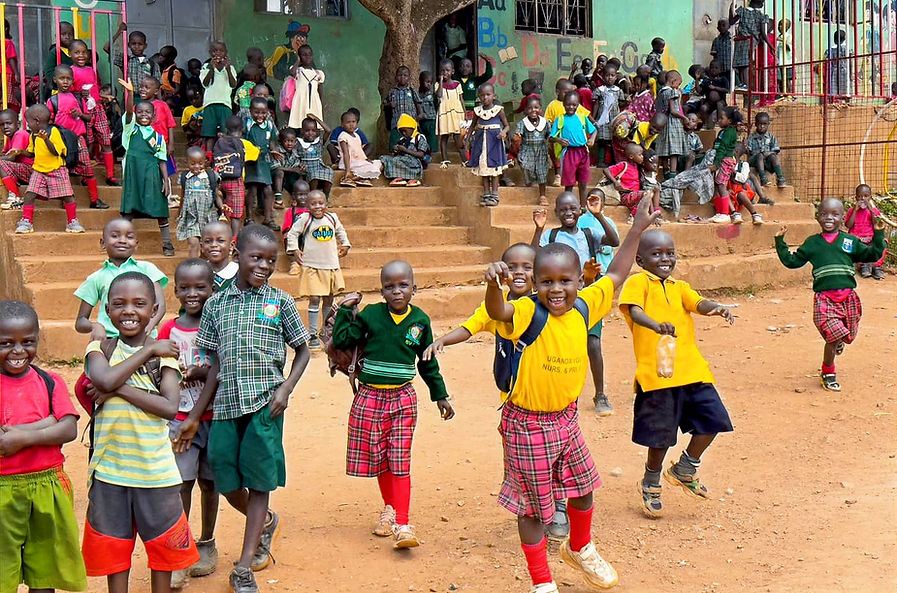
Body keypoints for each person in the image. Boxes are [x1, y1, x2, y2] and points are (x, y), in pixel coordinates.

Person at [483, 196, 659, 593]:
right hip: (526, 424)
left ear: (580, 282)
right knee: (532, 510)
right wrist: (493, 285)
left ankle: (580, 547)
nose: (556, 289)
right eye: (546, 282)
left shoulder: (585, 306)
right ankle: (542, 583)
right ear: (534, 283)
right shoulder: (528, 311)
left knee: (583, 488)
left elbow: (614, 274)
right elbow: (499, 313)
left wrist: (635, 230)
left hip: (565, 419)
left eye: (566, 281)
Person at [182, 225, 312, 593]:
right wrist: (195, 406)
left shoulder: (280, 302)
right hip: (225, 404)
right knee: (225, 478)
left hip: (265, 404)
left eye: (271, 261)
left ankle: (243, 567)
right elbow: (214, 361)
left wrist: (286, 388)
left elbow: (303, 349)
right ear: (237, 255)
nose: (264, 266)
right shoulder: (215, 305)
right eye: (256, 258)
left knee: (258, 481)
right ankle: (268, 522)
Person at [79, 271, 199, 591]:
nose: (129, 311)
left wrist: (118, 390)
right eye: (119, 304)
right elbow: (102, 380)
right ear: (107, 308)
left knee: (162, 550)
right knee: (115, 549)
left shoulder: (167, 357)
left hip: (155, 473)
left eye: (139, 303)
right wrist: (148, 351)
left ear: (154, 309)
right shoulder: (100, 347)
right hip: (110, 471)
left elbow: (169, 407)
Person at [332, 260, 455, 550]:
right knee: (380, 459)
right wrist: (345, 313)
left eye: (403, 286)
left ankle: (403, 523)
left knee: (399, 459)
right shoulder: (371, 315)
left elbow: (428, 363)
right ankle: (390, 507)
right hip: (370, 396)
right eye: (389, 286)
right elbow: (342, 339)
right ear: (382, 290)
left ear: (414, 288)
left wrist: (440, 395)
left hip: (403, 398)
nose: (396, 291)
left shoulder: (420, 320)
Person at [619, 229, 735, 519]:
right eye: (656, 254)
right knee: (660, 438)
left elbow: (698, 303)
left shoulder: (679, 286)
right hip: (657, 376)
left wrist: (716, 308)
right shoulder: (638, 282)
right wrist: (656, 325)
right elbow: (634, 311)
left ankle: (686, 467)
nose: (665, 258)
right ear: (640, 259)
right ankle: (651, 479)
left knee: (714, 421)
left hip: (693, 371)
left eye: (669, 253)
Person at [0, 300, 88, 593]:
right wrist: (46, 422)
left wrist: (22, 436)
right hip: (3, 490)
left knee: (45, 570)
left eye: (27, 342)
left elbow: (68, 428)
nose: (17, 351)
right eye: (5, 343)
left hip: (47, 487)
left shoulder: (49, 381)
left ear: (38, 340)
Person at [159, 260, 225, 588]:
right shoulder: (168, 330)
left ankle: (207, 541)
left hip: (214, 418)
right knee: (182, 485)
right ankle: (181, 552)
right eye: (184, 288)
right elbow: (157, 366)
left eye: (200, 287)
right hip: (180, 421)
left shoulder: (218, 327)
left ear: (213, 289)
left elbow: (222, 368)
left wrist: (200, 372)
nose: (192, 293)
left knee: (210, 484)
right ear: (175, 291)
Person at [776, 198, 885, 392]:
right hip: (825, 299)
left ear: (842, 218)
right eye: (824, 214)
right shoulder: (812, 244)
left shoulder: (849, 241)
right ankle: (828, 372)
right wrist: (780, 242)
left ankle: (837, 343)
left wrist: (878, 234)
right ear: (818, 217)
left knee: (846, 334)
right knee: (834, 335)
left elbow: (873, 255)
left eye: (835, 215)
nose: (829, 218)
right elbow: (792, 262)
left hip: (848, 298)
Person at [534, 189, 620, 422]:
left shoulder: (589, 233)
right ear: (556, 213)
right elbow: (535, 257)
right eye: (563, 209)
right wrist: (539, 229)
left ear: (580, 210)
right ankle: (556, 393)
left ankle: (600, 394)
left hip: (587, 294)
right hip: (559, 297)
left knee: (593, 342)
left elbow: (614, 241)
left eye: (572, 208)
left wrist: (600, 215)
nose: (568, 212)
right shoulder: (551, 236)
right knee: (556, 344)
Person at [423, 243, 537, 359]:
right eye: (511, 268)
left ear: (538, 273)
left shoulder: (542, 303)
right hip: (509, 373)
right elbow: (468, 328)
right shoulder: (494, 303)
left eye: (527, 267)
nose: (518, 272)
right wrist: (442, 341)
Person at [74, 217, 167, 341]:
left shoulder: (148, 269)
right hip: (110, 340)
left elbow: (160, 305)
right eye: (115, 236)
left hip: (144, 338)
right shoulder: (96, 278)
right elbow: (80, 321)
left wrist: (150, 325)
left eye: (129, 237)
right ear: (102, 243)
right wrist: (95, 326)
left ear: (136, 244)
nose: (122, 240)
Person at [285, 190, 351, 349]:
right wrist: (295, 250)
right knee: (315, 298)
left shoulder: (332, 218)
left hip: (330, 264)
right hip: (313, 265)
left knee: (329, 297)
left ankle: (325, 330)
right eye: (313, 204)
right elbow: (292, 234)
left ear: (326, 204)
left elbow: (340, 231)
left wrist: (345, 244)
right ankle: (312, 334)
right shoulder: (305, 219)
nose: (317, 206)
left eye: (320, 203)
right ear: (308, 206)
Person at [119, 82, 174, 256]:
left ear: (154, 115)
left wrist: (166, 180)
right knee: (129, 211)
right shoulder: (130, 130)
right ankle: (123, 245)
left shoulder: (158, 138)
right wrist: (130, 93)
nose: (143, 115)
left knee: (160, 209)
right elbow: (128, 112)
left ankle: (167, 245)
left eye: (147, 112)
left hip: (152, 176)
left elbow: (162, 161)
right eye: (140, 112)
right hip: (133, 175)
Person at [11, 104, 84, 234]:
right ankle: (26, 221)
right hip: (39, 170)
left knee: (68, 196)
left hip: (57, 170)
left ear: (37, 121)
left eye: (29, 123)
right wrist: (20, 151)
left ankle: (72, 221)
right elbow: (31, 153)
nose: (28, 126)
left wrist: (46, 140)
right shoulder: (33, 135)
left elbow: (56, 152)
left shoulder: (53, 132)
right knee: (29, 194)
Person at [48, 64, 106, 209]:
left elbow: (89, 118)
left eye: (68, 79)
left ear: (73, 81)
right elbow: (49, 121)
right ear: (55, 80)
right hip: (61, 139)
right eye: (62, 78)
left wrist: (79, 114)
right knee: (63, 169)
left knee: (88, 168)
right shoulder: (53, 100)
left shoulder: (78, 99)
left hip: (78, 138)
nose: (65, 82)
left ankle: (95, 199)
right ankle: (65, 200)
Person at [70, 40, 120, 187]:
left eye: (84, 52)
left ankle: (110, 175)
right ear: (70, 54)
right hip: (83, 110)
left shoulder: (91, 70)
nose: (81, 55)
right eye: (77, 52)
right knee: (87, 143)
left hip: (97, 109)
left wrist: (104, 97)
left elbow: (94, 91)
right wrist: (80, 93)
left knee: (106, 140)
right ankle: (86, 175)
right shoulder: (70, 71)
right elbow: (68, 92)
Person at [213, 115, 259, 236]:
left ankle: (221, 237)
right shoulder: (244, 143)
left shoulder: (220, 141)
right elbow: (255, 155)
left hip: (219, 180)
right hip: (236, 181)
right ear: (242, 129)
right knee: (236, 215)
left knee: (221, 211)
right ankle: (234, 239)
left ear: (226, 128)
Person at [549, 92, 596, 208]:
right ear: (563, 105)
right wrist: (558, 140)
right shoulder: (560, 119)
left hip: (583, 152)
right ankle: (568, 205)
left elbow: (594, 130)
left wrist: (592, 140)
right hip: (569, 153)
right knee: (569, 182)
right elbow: (550, 137)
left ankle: (583, 206)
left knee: (583, 182)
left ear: (578, 105)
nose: (571, 107)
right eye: (568, 104)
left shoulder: (582, 118)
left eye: (574, 105)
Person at [467, 83, 509, 207]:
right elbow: (472, 126)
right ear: (479, 97)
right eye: (482, 95)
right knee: (483, 169)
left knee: (494, 169)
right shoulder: (478, 111)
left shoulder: (498, 110)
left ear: (493, 96)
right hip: (481, 143)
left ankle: (494, 195)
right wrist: (467, 140)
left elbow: (507, 125)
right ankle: (486, 194)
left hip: (494, 143)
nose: (485, 98)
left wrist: (503, 132)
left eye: (488, 95)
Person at [178, 146, 223, 258]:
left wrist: (222, 208)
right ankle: (193, 269)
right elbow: (183, 196)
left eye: (200, 163)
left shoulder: (211, 176)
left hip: (208, 217)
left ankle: (204, 268)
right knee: (193, 244)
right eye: (193, 163)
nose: (197, 167)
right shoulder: (185, 177)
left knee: (207, 247)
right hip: (191, 218)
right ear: (186, 162)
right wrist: (179, 213)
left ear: (205, 162)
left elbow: (216, 194)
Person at [244, 96, 279, 230]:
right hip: (252, 161)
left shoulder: (269, 125)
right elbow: (242, 139)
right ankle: (249, 218)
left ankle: (268, 218)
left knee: (268, 190)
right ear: (251, 111)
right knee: (252, 190)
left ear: (267, 112)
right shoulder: (247, 124)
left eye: (263, 112)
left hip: (264, 160)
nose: (260, 115)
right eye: (256, 112)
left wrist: (274, 151)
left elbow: (272, 142)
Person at [138, 76, 178, 182]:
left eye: (146, 87)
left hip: (163, 146)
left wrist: (171, 144)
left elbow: (170, 125)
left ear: (156, 91)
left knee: (165, 175)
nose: (142, 89)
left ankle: (166, 195)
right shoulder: (138, 107)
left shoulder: (163, 105)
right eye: (141, 86)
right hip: (146, 147)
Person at [513, 97, 551, 206]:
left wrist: (548, 142)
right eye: (530, 108)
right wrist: (516, 138)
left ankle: (542, 195)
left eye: (536, 108)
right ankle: (529, 180)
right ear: (525, 110)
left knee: (541, 171)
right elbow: (518, 133)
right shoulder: (523, 123)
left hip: (541, 150)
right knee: (525, 166)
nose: (533, 110)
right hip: (527, 148)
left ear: (540, 109)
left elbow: (549, 134)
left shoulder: (545, 122)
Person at [200, 41, 238, 151]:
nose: (218, 53)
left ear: (226, 52)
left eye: (221, 51)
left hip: (225, 104)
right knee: (210, 134)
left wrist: (227, 68)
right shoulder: (206, 67)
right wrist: (212, 68)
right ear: (210, 53)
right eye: (214, 51)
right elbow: (206, 83)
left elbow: (233, 84)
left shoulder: (230, 68)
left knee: (225, 132)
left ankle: (225, 155)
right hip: (210, 104)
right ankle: (209, 156)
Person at [845, 184, 887, 280]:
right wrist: (855, 211)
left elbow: (876, 224)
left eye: (865, 196)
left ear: (870, 197)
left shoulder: (874, 211)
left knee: (882, 244)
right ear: (856, 198)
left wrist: (871, 210)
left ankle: (877, 267)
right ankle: (864, 266)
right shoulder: (852, 211)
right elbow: (848, 225)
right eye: (859, 196)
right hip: (857, 239)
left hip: (870, 238)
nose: (862, 199)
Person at [709, 106, 742, 224]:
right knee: (717, 185)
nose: (719, 120)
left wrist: (716, 164)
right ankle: (719, 212)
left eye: (722, 118)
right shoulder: (723, 131)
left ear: (729, 121)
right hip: (720, 160)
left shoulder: (729, 132)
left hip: (724, 161)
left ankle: (724, 213)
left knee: (722, 185)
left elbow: (722, 149)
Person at [730, 0, 773, 89]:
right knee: (743, 63)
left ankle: (745, 84)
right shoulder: (761, 15)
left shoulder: (743, 11)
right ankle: (743, 83)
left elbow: (731, 21)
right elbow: (763, 33)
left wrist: (730, 10)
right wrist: (770, 46)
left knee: (743, 63)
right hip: (751, 40)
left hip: (743, 39)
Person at [654, 70, 688, 179]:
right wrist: (684, 117)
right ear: (673, 81)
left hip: (663, 122)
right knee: (674, 151)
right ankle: (673, 174)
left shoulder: (661, 92)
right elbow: (673, 110)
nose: (678, 86)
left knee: (664, 150)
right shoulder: (672, 92)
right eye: (678, 84)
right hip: (673, 123)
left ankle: (665, 172)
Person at [105, 24, 160, 92]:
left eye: (140, 44)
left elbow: (158, 84)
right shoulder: (125, 60)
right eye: (133, 44)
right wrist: (119, 32)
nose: (136, 47)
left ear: (145, 46)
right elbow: (106, 48)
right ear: (129, 45)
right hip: (129, 96)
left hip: (147, 97)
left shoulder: (152, 64)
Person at [604, 142, 650, 221]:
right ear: (631, 156)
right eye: (640, 155)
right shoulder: (623, 165)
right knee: (646, 194)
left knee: (648, 194)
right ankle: (633, 215)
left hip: (635, 196)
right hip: (625, 195)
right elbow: (606, 170)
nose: (642, 157)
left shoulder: (637, 167)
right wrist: (615, 182)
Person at [380, 114, 429, 187]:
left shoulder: (419, 138)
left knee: (397, 161)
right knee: (385, 158)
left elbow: (421, 154)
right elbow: (397, 155)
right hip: (403, 160)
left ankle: (413, 177)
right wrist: (396, 151)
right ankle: (400, 177)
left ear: (412, 128)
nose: (403, 133)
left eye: (405, 131)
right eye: (401, 132)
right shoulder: (402, 140)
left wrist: (406, 150)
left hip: (414, 163)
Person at [0, 108, 34, 210]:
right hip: (22, 170)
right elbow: (4, 154)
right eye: (2, 124)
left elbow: (11, 157)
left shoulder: (20, 134)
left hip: (32, 171)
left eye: (8, 123)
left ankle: (15, 196)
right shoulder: (10, 138)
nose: (5, 127)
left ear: (18, 124)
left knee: (1, 164)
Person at [338, 109, 382, 187]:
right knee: (372, 169)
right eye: (348, 122)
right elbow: (346, 153)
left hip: (359, 161)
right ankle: (350, 178)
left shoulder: (357, 136)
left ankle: (355, 179)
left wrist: (366, 159)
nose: (351, 124)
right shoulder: (343, 136)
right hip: (349, 163)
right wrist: (347, 170)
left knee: (379, 164)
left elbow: (359, 151)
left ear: (357, 123)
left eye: (353, 122)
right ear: (342, 124)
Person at [592, 64, 623, 167]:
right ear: (603, 76)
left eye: (612, 75)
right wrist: (594, 117)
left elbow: (621, 103)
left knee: (614, 140)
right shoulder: (599, 90)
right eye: (607, 75)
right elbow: (596, 104)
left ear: (616, 77)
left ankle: (614, 161)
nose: (609, 78)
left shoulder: (618, 91)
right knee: (602, 140)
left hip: (614, 119)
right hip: (602, 119)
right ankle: (600, 161)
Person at [287, 44, 324, 129]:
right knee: (299, 124)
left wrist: (321, 106)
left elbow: (320, 92)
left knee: (315, 126)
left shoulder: (318, 73)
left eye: (310, 54)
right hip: (301, 101)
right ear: (299, 57)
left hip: (314, 102)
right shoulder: (298, 71)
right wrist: (298, 61)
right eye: (304, 55)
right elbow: (292, 72)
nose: (308, 57)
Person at [435, 59, 465, 166]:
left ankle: (464, 159)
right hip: (444, 114)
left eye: (447, 70)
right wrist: (441, 82)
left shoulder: (457, 84)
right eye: (442, 71)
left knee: (458, 137)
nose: (445, 73)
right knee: (444, 137)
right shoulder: (438, 85)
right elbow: (439, 95)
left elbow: (461, 99)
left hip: (457, 114)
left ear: (452, 72)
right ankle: (445, 159)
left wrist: (464, 114)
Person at [384, 66, 422, 149]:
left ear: (409, 78)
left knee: (411, 145)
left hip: (409, 125)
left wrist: (420, 114)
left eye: (405, 75)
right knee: (395, 146)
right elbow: (384, 104)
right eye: (400, 75)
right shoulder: (392, 92)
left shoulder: (412, 91)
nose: (402, 77)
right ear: (396, 77)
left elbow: (418, 103)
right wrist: (389, 104)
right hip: (396, 124)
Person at [726, 144, 764, 225]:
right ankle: (735, 214)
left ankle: (754, 215)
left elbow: (743, 179)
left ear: (736, 152)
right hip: (731, 193)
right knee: (724, 193)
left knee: (741, 194)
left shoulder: (744, 165)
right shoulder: (726, 164)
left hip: (742, 192)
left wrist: (734, 171)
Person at [296, 114, 333, 196]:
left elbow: (328, 131)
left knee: (329, 171)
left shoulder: (319, 141)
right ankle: (313, 195)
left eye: (313, 130)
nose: (310, 133)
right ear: (302, 131)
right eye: (307, 130)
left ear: (317, 131)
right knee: (314, 174)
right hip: (306, 168)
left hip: (319, 166)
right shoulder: (299, 143)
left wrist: (316, 119)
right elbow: (295, 155)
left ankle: (326, 196)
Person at [747, 112, 786, 187]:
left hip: (767, 161)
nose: (762, 126)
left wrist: (766, 154)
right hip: (755, 161)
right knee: (759, 156)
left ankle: (780, 178)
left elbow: (775, 150)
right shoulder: (751, 137)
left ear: (768, 124)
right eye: (759, 124)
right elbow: (749, 151)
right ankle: (763, 179)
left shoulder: (771, 137)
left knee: (773, 157)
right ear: (755, 124)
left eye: (764, 124)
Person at [201, 220, 239, 292]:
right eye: (208, 241)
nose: (214, 245)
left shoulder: (240, 273)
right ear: (202, 246)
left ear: (231, 245)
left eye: (220, 241)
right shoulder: (199, 273)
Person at [272, 127, 304, 205]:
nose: (289, 144)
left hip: (288, 177)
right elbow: (276, 167)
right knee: (280, 172)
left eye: (291, 141)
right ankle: (278, 197)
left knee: (299, 176)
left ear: (295, 142)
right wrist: (293, 170)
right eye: (286, 141)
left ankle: (296, 197)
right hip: (275, 177)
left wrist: (300, 166)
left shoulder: (294, 152)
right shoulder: (277, 152)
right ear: (280, 142)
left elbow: (296, 166)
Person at [42, 21, 75, 97]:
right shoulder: (55, 51)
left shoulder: (75, 51)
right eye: (63, 34)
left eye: (70, 34)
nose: (67, 37)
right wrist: (57, 83)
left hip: (74, 88)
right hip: (58, 88)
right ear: (57, 36)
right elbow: (48, 71)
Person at [281, 179, 310, 250]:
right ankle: (293, 257)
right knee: (288, 236)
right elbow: (287, 226)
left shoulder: (311, 210)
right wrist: (288, 233)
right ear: (294, 195)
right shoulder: (291, 211)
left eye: (306, 195)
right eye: (300, 194)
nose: (303, 197)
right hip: (295, 234)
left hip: (308, 234)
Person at [158, 45, 183, 113]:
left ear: (170, 58)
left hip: (174, 97)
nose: (159, 58)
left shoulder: (175, 71)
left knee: (168, 102)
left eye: (162, 56)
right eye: (159, 55)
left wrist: (171, 94)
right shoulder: (163, 69)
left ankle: (178, 110)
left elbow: (178, 88)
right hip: (164, 94)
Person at [418, 71, 438, 154]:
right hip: (421, 122)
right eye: (427, 82)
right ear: (421, 81)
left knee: (432, 140)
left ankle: (433, 155)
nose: (429, 84)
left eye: (431, 82)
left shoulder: (432, 95)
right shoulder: (417, 94)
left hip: (431, 121)